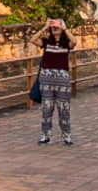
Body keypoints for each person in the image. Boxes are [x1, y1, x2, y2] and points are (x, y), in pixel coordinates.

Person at [31, 18, 74, 146]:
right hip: (47, 78)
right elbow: (33, 40)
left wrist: (65, 28)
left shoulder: (66, 43)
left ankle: (66, 135)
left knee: (64, 109)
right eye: (53, 27)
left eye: (57, 27)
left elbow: (74, 41)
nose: (55, 29)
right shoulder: (46, 42)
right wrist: (44, 27)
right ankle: (45, 135)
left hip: (62, 79)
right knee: (46, 109)